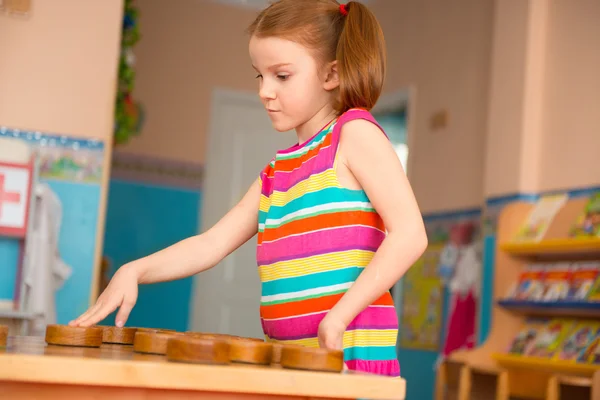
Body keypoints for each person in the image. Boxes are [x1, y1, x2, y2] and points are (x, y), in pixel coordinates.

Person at [70, 0, 428, 377]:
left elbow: (410, 235)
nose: (264, 91)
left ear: (332, 74)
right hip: (293, 362)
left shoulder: (354, 134)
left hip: (349, 357)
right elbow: (211, 243)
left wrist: (338, 318)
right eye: (260, 76)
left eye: (282, 76)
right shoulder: (278, 171)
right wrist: (134, 270)